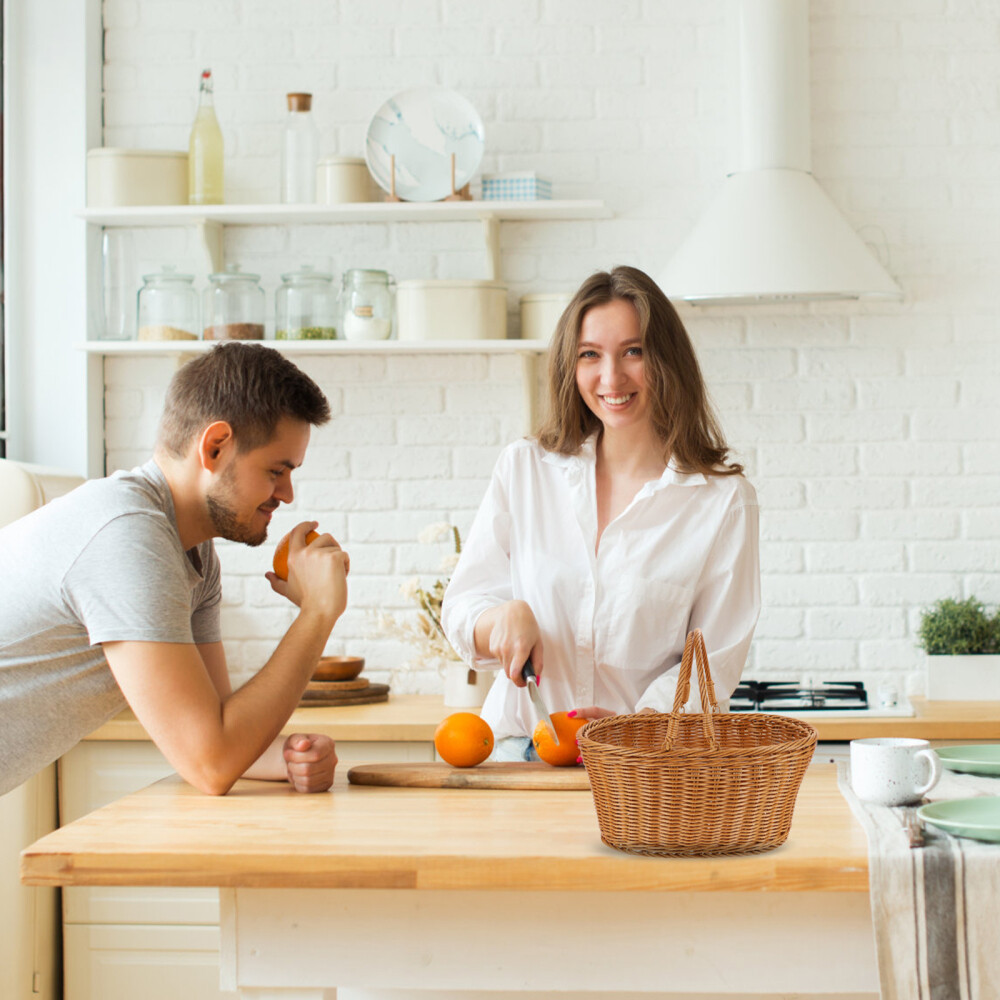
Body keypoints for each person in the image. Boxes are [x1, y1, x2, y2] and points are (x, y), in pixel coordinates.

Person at [0, 343, 350, 797]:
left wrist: (287, 755)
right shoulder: (126, 536)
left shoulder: (193, 554)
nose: (287, 494)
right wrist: (318, 613)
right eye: (276, 471)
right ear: (216, 446)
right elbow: (212, 762)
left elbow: (216, 724)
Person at [441, 266, 760, 760]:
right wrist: (501, 617)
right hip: (515, 752)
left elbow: (713, 661)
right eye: (591, 355)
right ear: (572, 365)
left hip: (639, 767)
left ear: (667, 361)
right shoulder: (526, 468)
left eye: (634, 351)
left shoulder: (721, 500)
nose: (611, 378)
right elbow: (463, 605)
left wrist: (637, 728)